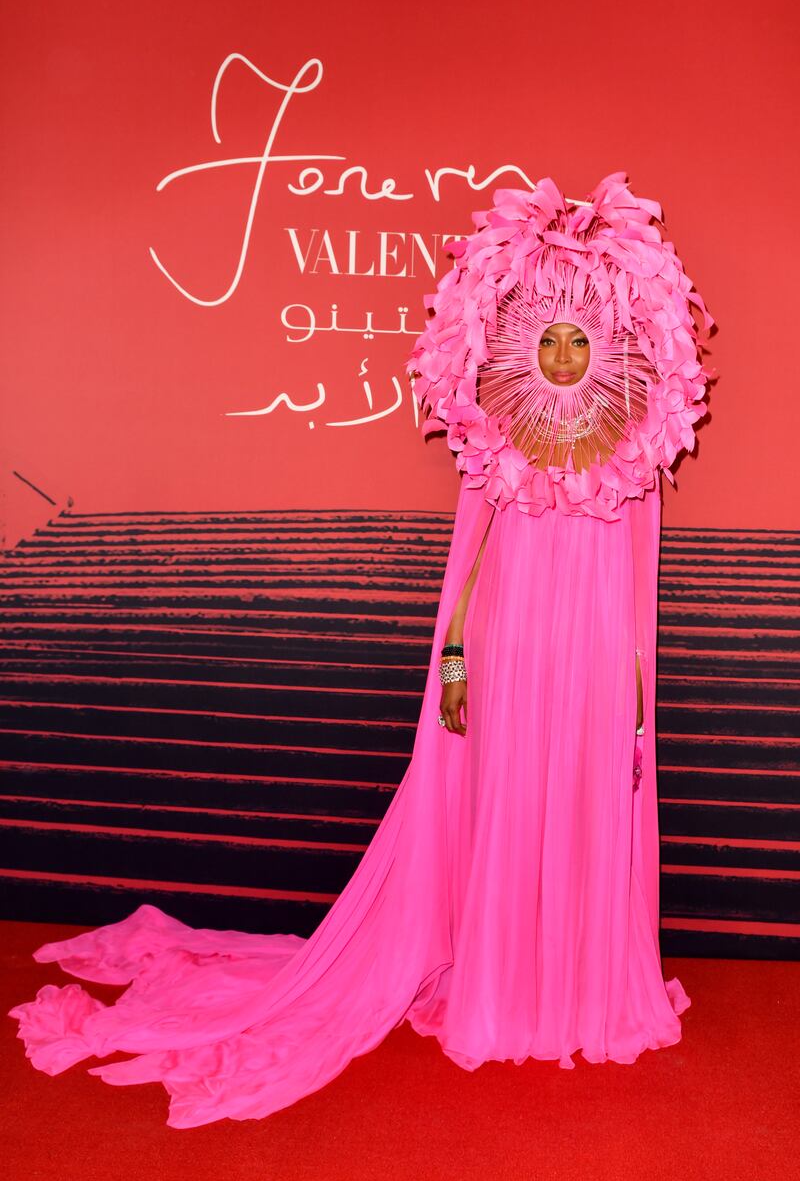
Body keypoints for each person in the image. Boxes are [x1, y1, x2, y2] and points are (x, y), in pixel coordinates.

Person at [8, 173, 713, 1128]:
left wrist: (637, 700)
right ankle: (502, 991)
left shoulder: (634, 453)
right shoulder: (495, 439)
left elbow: (638, 594)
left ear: (602, 350)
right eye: (545, 337)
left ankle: (579, 991)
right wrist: (454, 669)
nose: (556, 353)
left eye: (574, 340)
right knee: (508, 813)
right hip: (506, 659)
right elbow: (464, 576)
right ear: (520, 344)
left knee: (583, 810)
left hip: (591, 663)